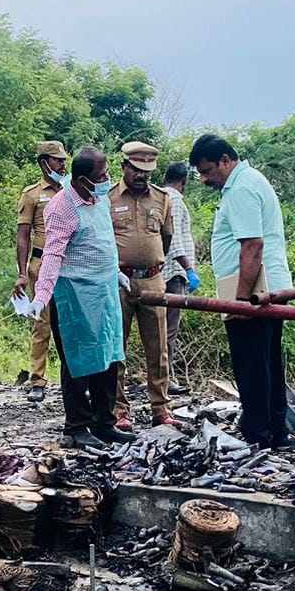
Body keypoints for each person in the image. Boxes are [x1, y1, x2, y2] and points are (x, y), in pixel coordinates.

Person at [21, 146, 134, 450]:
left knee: (108, 356)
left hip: (104, 290)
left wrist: (116, 272)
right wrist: (42, 295)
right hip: (75, 291)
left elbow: (104, 239)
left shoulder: (98, 199)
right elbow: (53, 254)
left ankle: (104, 421)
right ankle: (77, 425)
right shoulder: (61, 207)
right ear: (83, 179)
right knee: (79, 359)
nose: (107, 178)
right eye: (101, 175)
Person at [190, 133, 295, 449]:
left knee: (252, 366)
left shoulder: (241, 188)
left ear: (225, 160)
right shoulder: (252, 179)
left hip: (255, 291)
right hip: (269, 288)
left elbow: (252, 245)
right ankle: (275, 432)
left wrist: (240, 301)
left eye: (209, 171)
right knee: (267, 364)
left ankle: (258, 435)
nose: (207, 179)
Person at [107, 140, 177, 429]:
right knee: (115, 348)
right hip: (118, 282)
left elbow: (166, 238)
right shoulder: (108, 198)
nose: (142, 176)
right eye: (136, 170)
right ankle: (119, 410)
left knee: (158, 348)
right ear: (124, 166)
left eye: (147, 172)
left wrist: (151, 262)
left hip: (152, 280)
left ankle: (160, 408)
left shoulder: (162, 199)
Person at [13, 141, 70, 403]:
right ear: (44, 162)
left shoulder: (71, 190)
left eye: (62, 160)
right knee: (42, 323)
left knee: (72, 324)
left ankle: (76, 379)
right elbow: (23, 236)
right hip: (40, 264)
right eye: (57, 160)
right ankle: (37, 379)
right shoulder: (32, 194)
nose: (62, 165)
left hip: (69, 266)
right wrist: (23, 273)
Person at [160, 161, 199, 393]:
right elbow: (172, 237)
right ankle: (165, 378)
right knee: (168, 329)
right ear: (184, 181)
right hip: (172, 273)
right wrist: (188, 269)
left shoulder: (161, 196)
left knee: (163, 329)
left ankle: (163, 377)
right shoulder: (173, 199)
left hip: (169, 271)